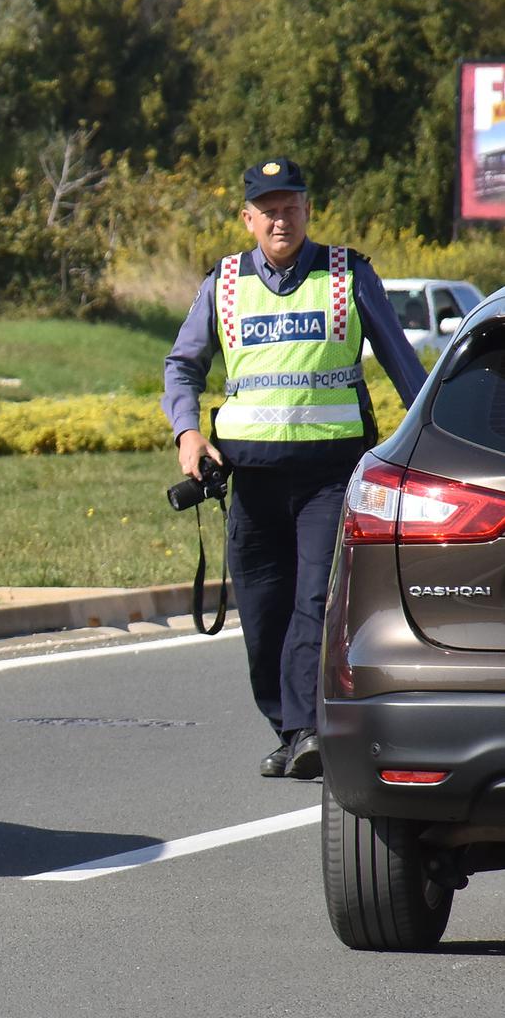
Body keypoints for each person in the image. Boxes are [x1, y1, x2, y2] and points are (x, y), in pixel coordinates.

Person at [162, 157, 427, 780]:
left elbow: (404, 366)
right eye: (269, 209)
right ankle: (288, 729)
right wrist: (188, 432)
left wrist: (429, 439)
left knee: (313, 598)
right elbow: (183, 365)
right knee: (262, 612)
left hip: (328, 476)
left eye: (292, 207)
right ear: (248, 218)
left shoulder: (347, 276)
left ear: (308, 210)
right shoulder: (222, 284)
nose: (281, 219)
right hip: (249, 480)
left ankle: (309, 728)